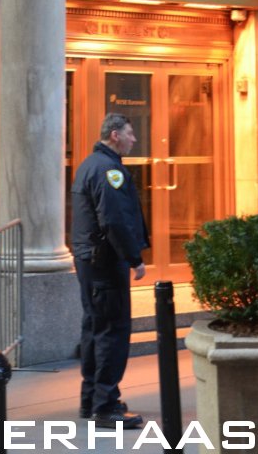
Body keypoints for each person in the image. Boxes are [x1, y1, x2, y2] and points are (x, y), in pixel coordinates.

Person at [71, 113, 149, 428]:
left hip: (90, 262)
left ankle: (91, 400)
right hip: (104, 264)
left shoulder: (90, 164)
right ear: (115, 135)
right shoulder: (108, 170)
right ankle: (106, 407)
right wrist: (134, 258)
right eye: (130, 134)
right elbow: (114, 220)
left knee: (94, 329)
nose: (134, 139)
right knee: (111, 334)